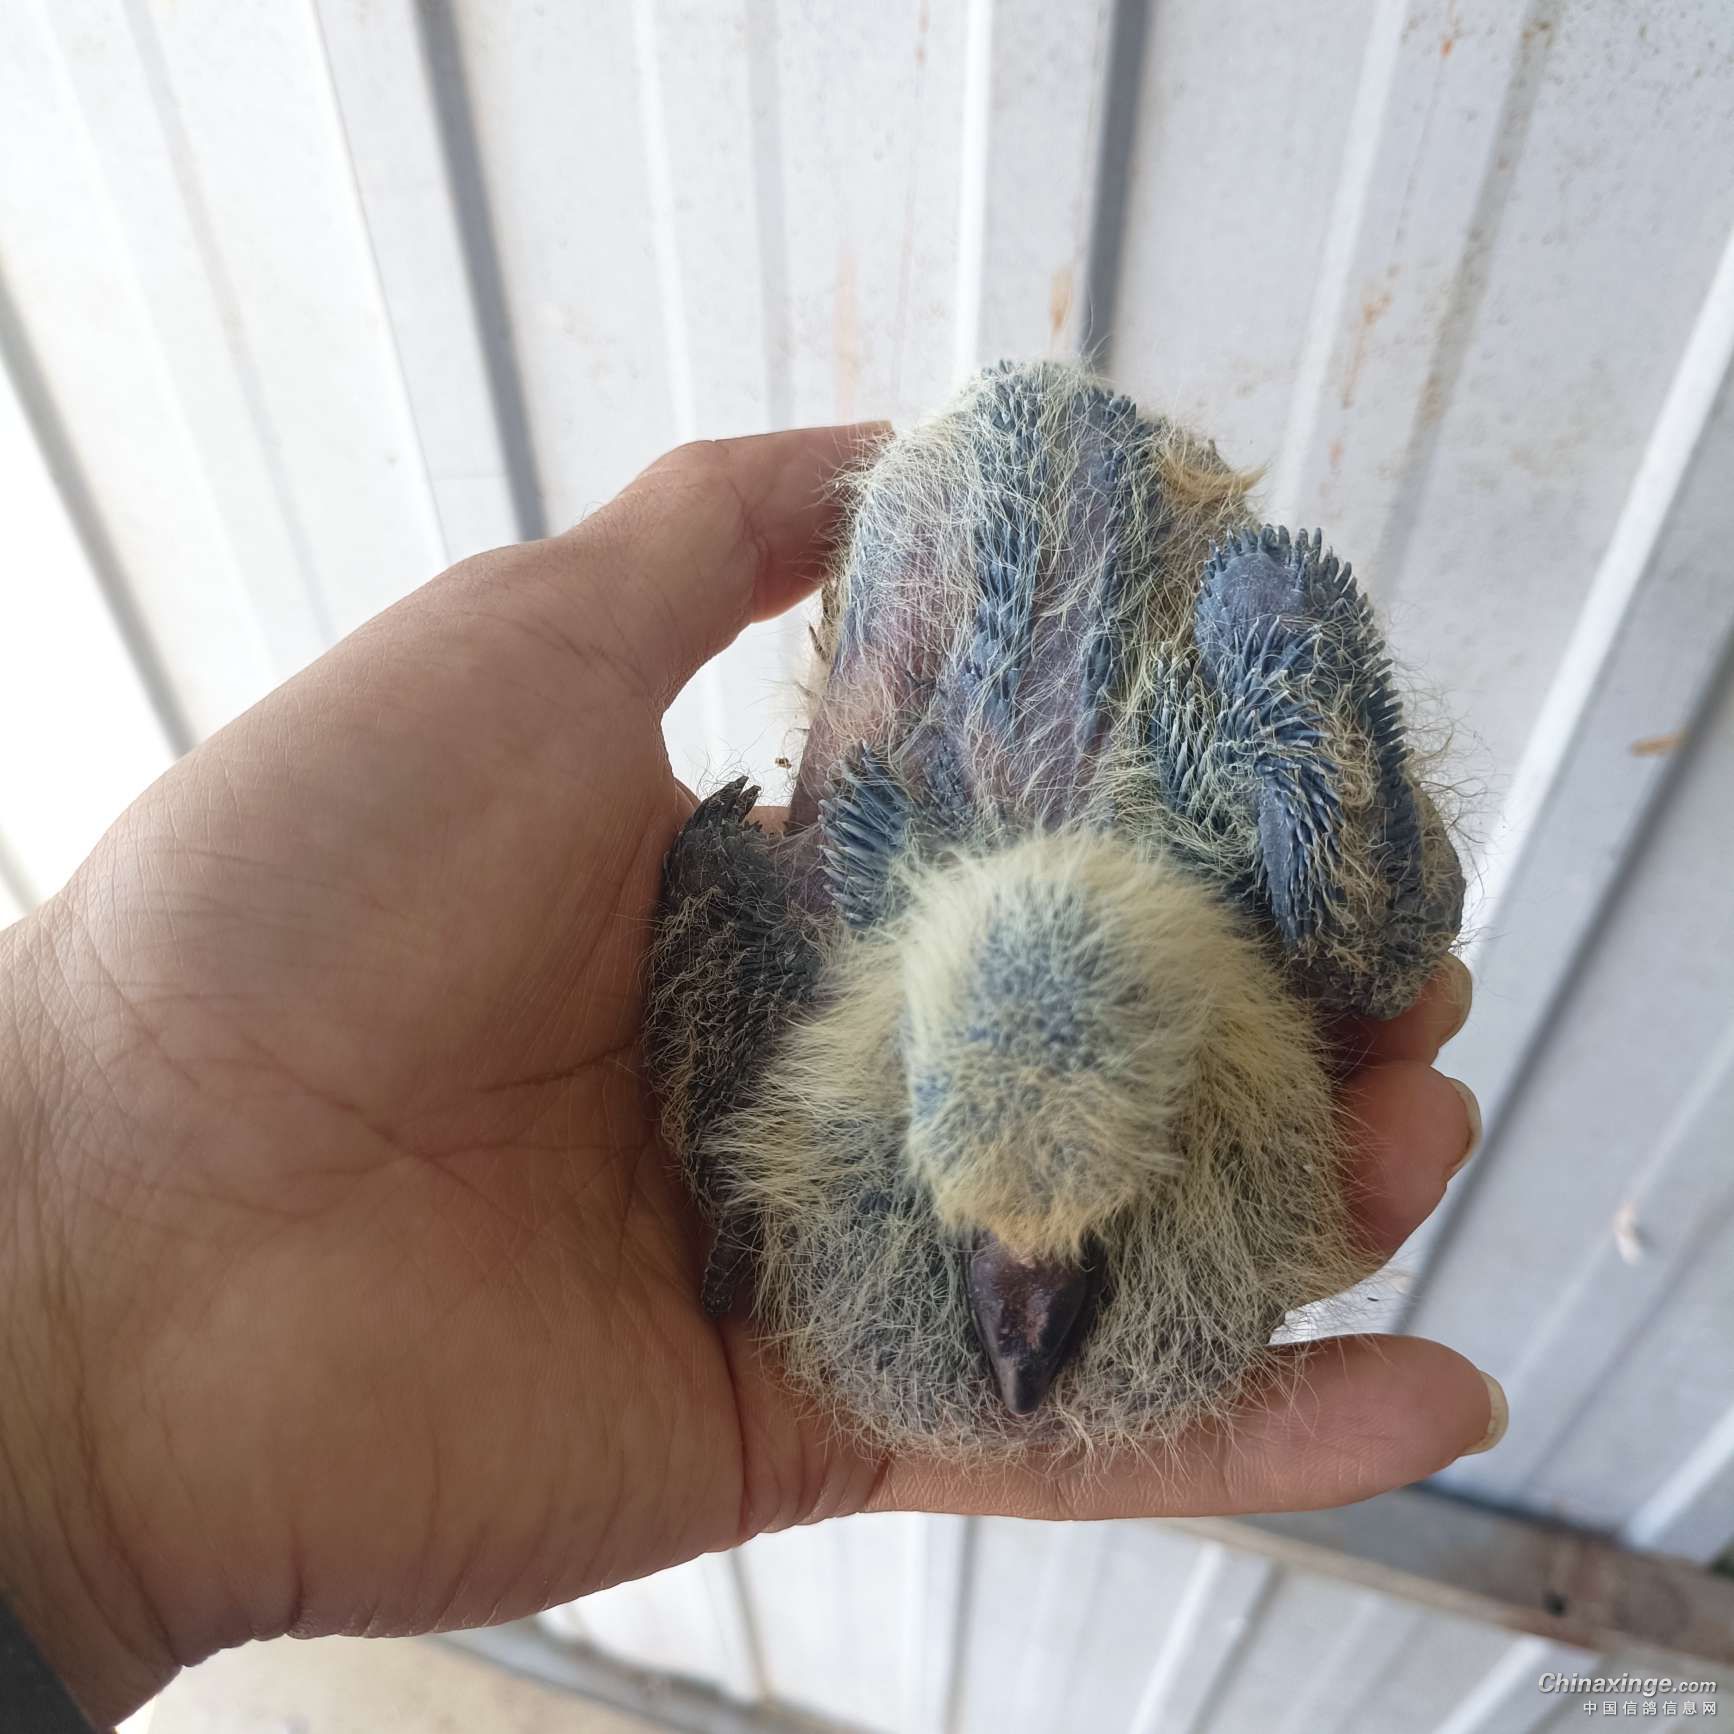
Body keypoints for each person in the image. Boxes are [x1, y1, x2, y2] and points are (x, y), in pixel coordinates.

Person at [0, 427, 1501, 1729]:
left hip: (1119, 680)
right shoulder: (796, 1025)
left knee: (1370, 931)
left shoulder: (1252, 913)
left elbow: (1269, 621)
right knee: (1363, 947)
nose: (1022, 1323)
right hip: (996, 688)